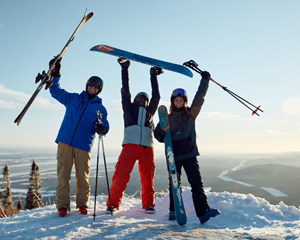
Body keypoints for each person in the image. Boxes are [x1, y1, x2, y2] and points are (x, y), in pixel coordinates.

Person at [154, 70, 220, 224]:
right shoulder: (167, 117)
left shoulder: (191, 114)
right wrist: (161, 136)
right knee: (174, 184)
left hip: (189, 154)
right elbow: (157, 133)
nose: (178, 102)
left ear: (184, 101)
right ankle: (173, 210)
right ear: (172, 101)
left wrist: (205, 80)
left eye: (181, 100)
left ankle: (203, 212)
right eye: (176, 100)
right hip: (174, 156)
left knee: (196, 182)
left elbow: (199, 98)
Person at [48, 57, 109, 217]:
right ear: (87, 85)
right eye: (90, 84)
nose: (92, 87)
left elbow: (105, 124)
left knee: (83, 176)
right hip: (65, 141)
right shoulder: (73, 98)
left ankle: (82, 203)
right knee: (63, 175)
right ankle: (62, 205)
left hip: (84, 145)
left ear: (99, 89)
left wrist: (103, 128)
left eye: (96, 86)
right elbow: (55, 91)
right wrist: (56, 74)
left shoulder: (100, 108)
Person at [106, 58, 162, 214]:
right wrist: (125, 68)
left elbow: (156, 96)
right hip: (129, 146)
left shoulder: (150, 112)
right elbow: (125, 89)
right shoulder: (128, 109)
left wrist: (153, 76)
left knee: (148, 177)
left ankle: (149, 204)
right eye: (140, 97)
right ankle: (112, 204)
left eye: (145, 98)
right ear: (135, 99)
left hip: (147, 147)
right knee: (121, 175)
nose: (142, 99)